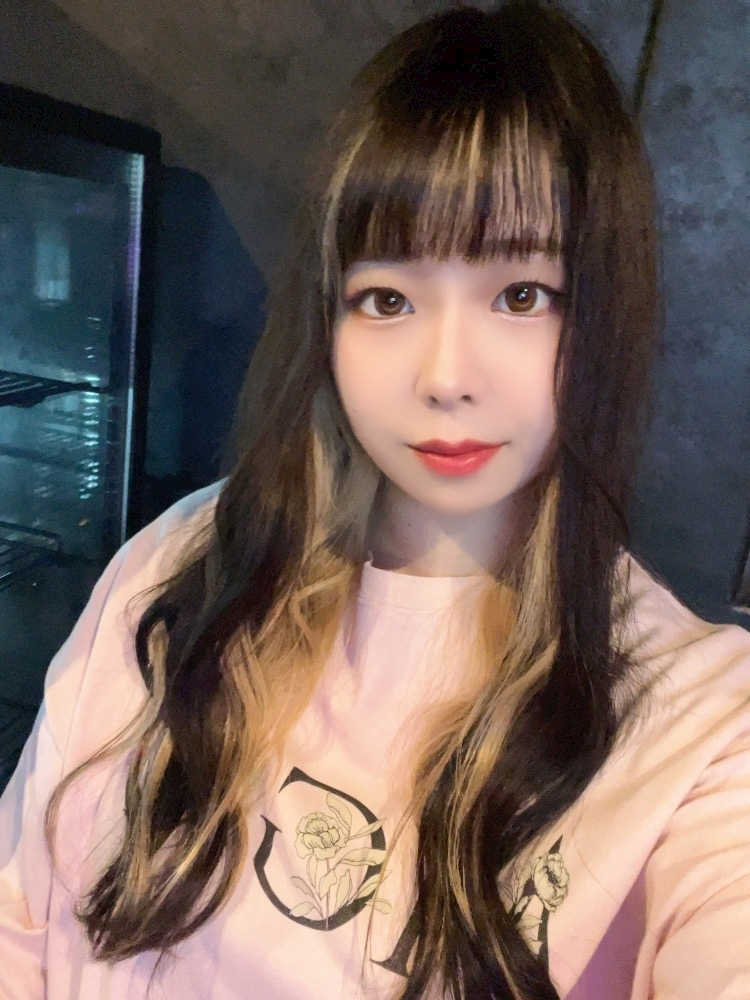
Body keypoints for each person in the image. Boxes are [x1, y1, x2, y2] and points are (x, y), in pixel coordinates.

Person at [2, 3, 749, 998]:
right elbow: (20, 905)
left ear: (601, 311)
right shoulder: (184, 558)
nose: (445, 376)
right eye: (387, 299)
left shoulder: (700, 726)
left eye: (520, 295)